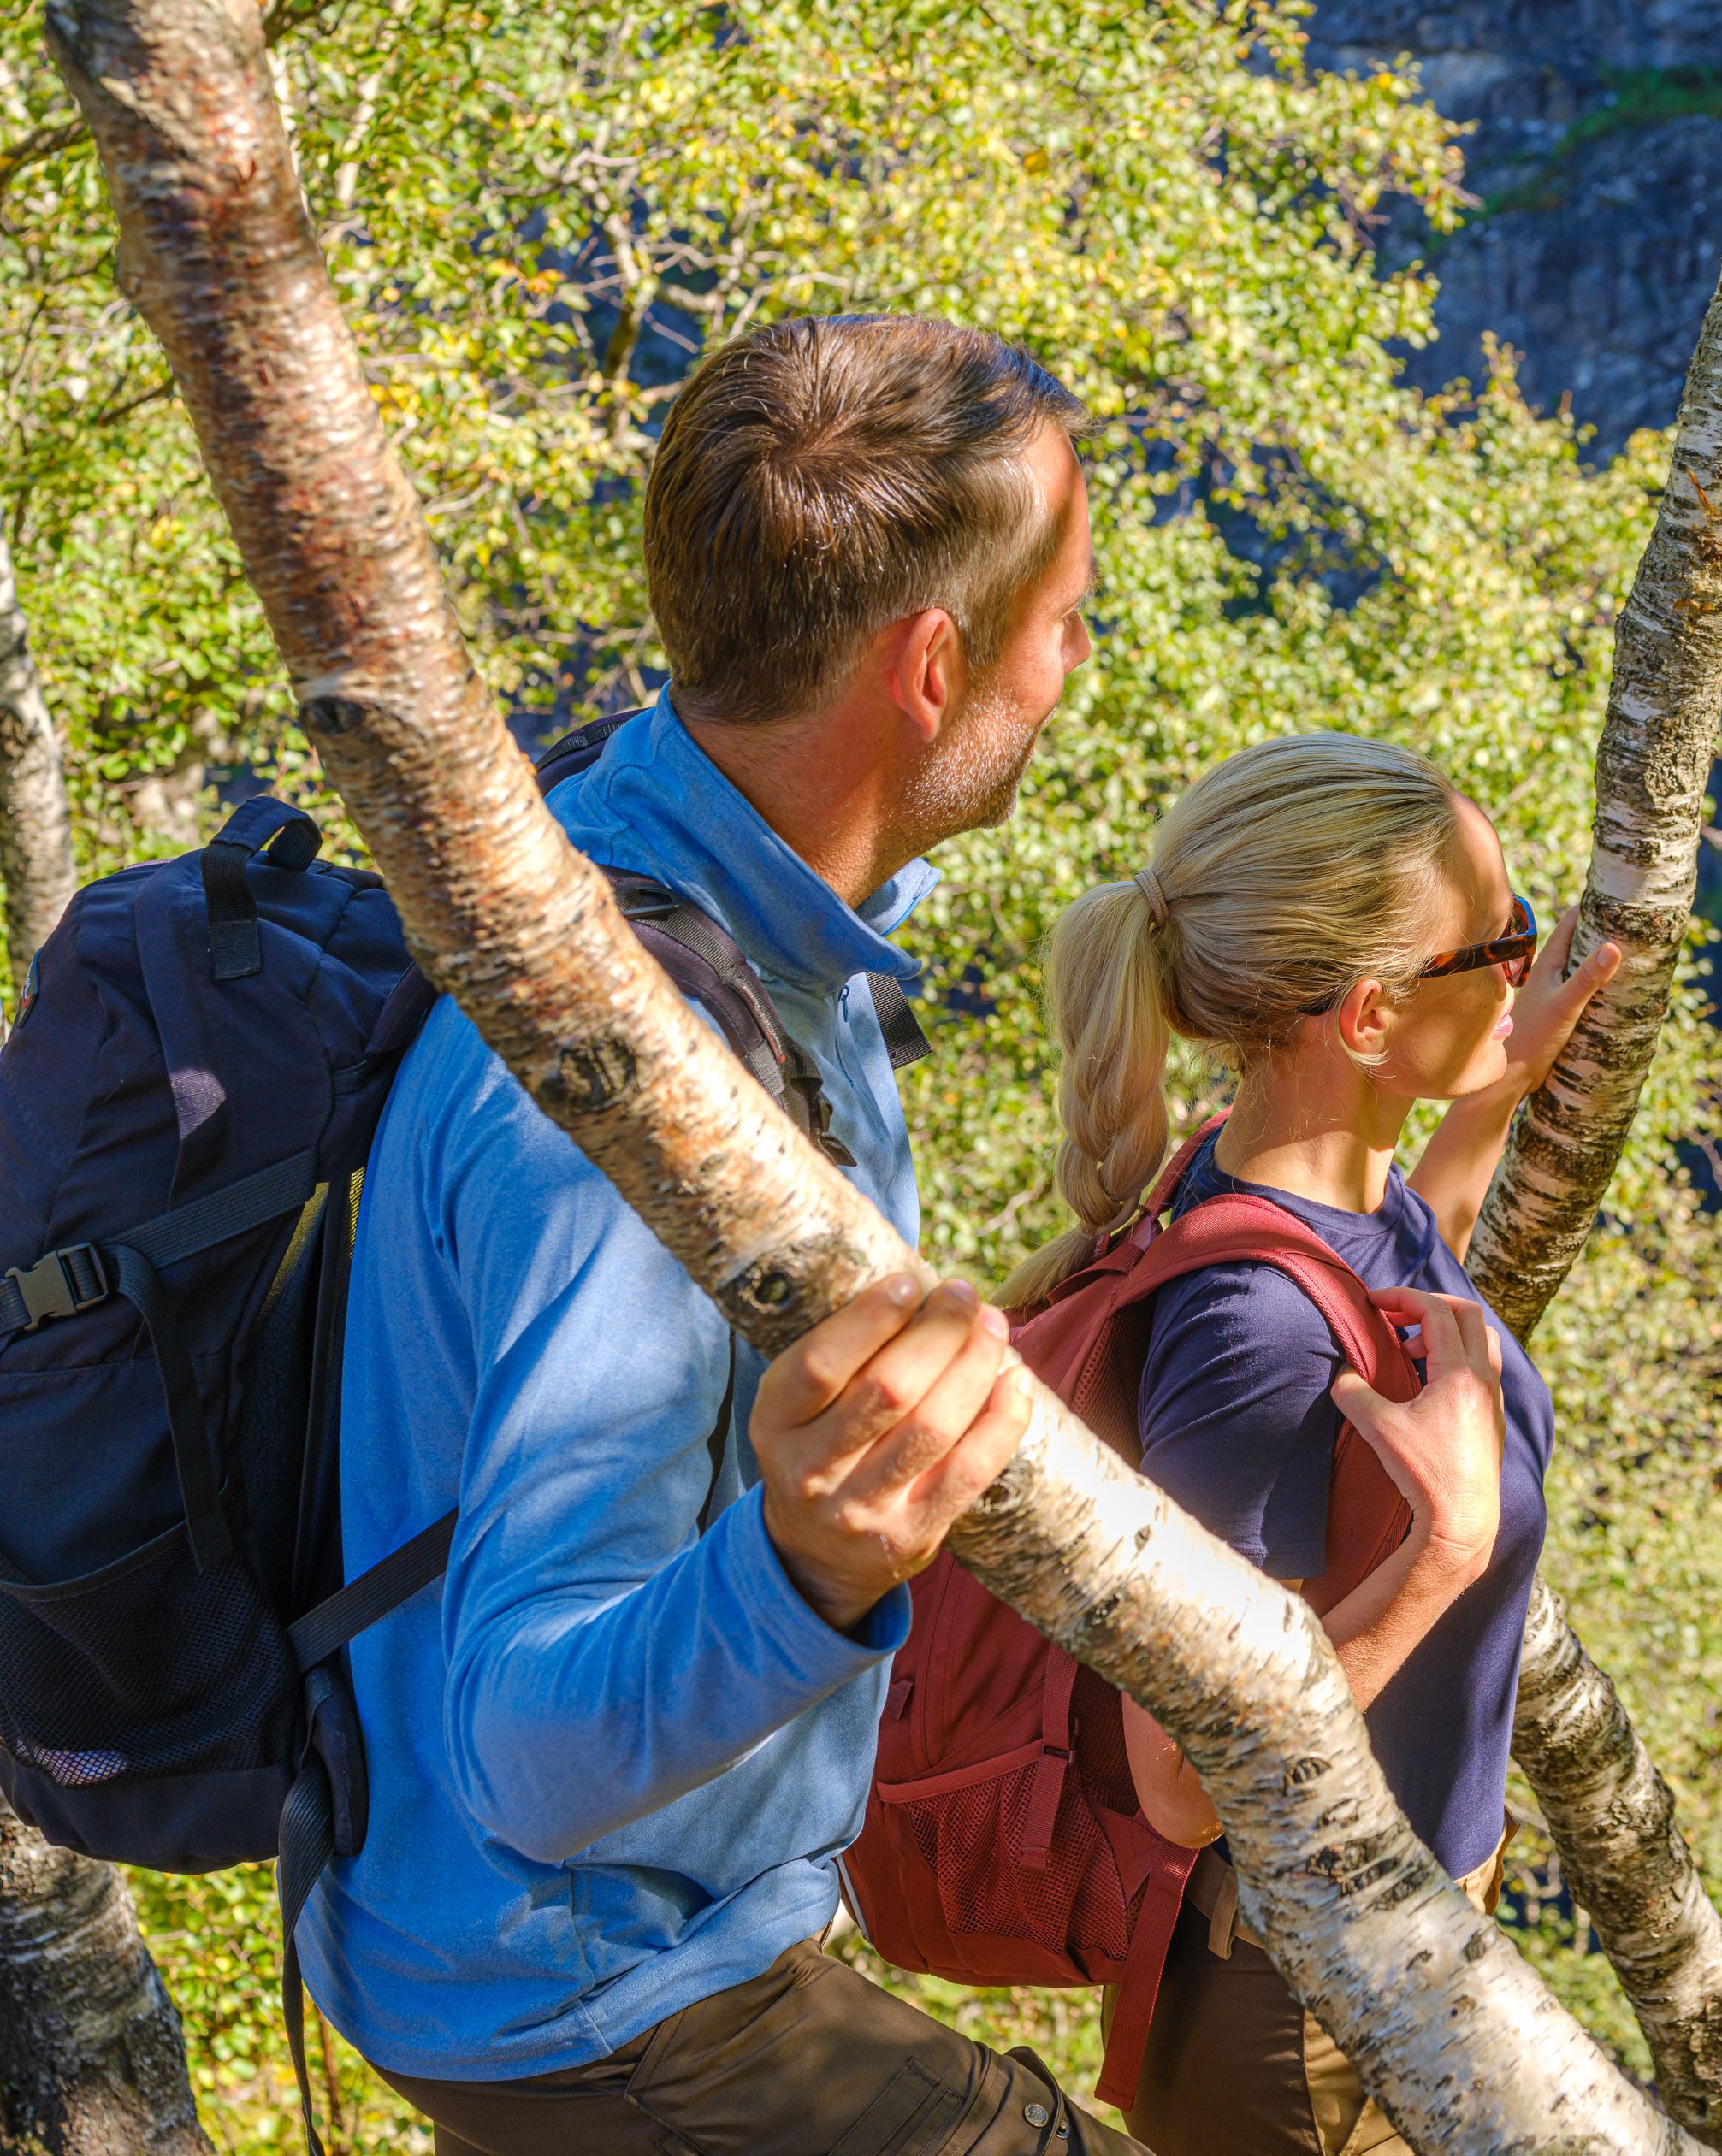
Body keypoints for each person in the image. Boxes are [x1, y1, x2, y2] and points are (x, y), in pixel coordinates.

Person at [311, 315, 1119, 2156]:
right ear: (931, 663)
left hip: (572, 1950)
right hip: (599, 1996)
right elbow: (528, 1740)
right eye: (1068, 615)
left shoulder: (673, 876)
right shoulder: (623, 1095)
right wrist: (815, 1565)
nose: (1078, 661)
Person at [995, 733, 1618, 2156]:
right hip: (1306, 2031)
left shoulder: (1300, 1179)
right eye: (1498, 943)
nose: (1525, 959)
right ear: (1365, 1015)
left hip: (1396, 1957)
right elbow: (1180, 1776)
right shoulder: (1251, 1328)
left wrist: (1486, 1095)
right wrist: (1449, 1550)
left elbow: (1390, 1301)